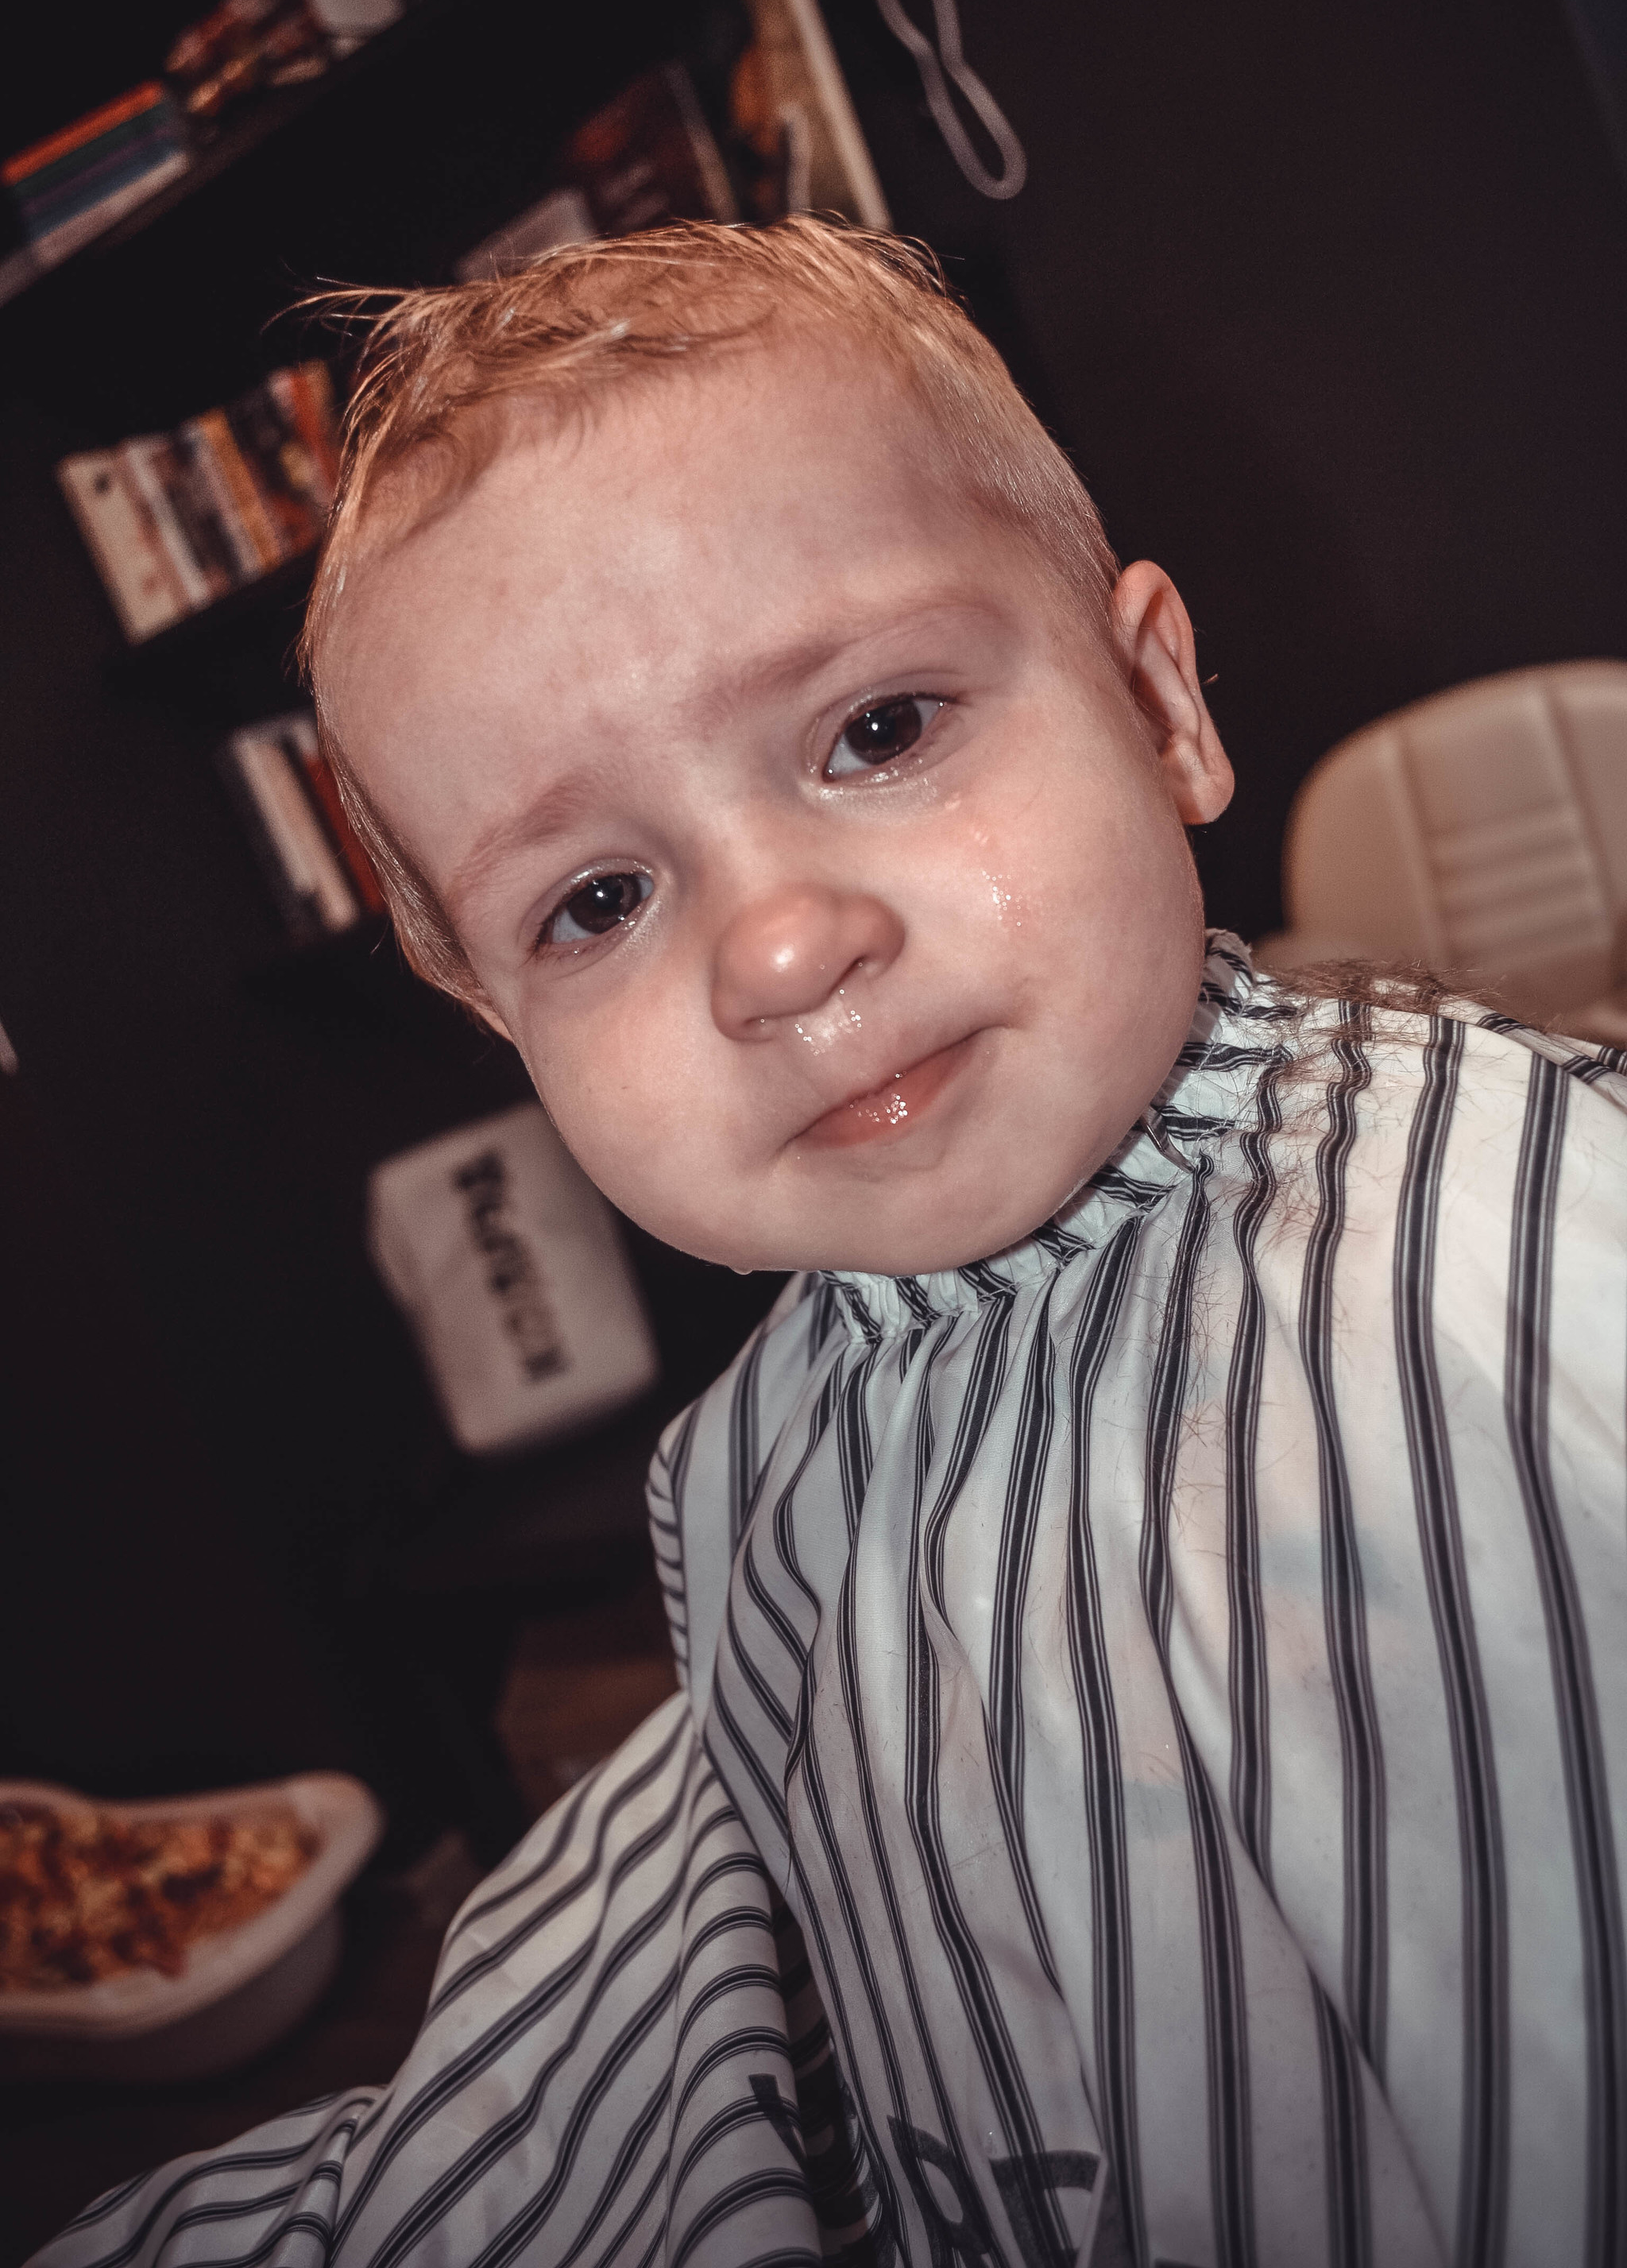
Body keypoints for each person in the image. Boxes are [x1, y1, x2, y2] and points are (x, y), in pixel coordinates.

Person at [37, 220, 1625, 2268]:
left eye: (878, 731)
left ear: (1160, 708)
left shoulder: (1525, 1281)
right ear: (495, 1022)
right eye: (597, 902)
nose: (780, 947)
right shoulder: (747, 1471)